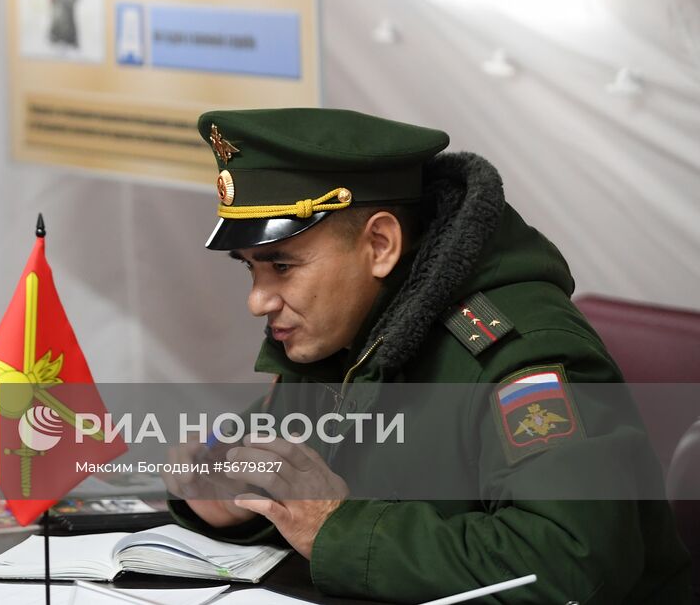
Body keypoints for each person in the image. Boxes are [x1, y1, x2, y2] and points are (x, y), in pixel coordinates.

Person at [167, 107, 692, 602]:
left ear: (380, 246)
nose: (258, 300)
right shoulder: (329, 335)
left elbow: (570, 563)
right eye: (250, 268)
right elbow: (309, 490)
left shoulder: (519, 355)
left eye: (282, 266)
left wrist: (337, 528)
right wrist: (242, 504)